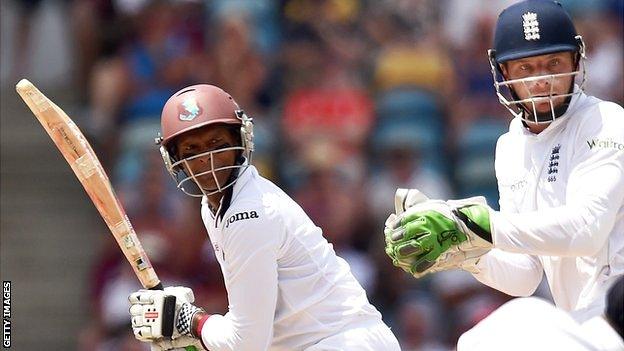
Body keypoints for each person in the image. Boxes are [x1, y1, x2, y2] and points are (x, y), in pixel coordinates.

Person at [383, 0, 623, 349]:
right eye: (526, 68)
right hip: (585, 327)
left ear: (576, 60)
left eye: (553, 63)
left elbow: (584, 230)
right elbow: (525, 274)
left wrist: (470, 222)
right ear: (503, 71)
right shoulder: (510, 147)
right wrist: (465, 250)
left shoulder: (606, 121)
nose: (542, 81)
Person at [127, 84, 401, 351]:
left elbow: (246, 344)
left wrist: (191, 321)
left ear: (240, 142)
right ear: (174, 159)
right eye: (192, 151)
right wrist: (193, 336)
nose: (206, 160)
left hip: (343, 342)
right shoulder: (214, 207)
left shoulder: (249, 213)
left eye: (216, 144)